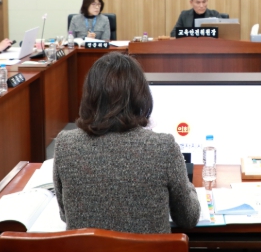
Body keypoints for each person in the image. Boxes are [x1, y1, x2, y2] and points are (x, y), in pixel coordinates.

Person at [53, 53, 200, 233]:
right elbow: (188, 217)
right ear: (141, 96)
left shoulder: (65, 145)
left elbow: (66, 215)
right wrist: (188, 186)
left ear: (89, 96)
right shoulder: (163, 147)